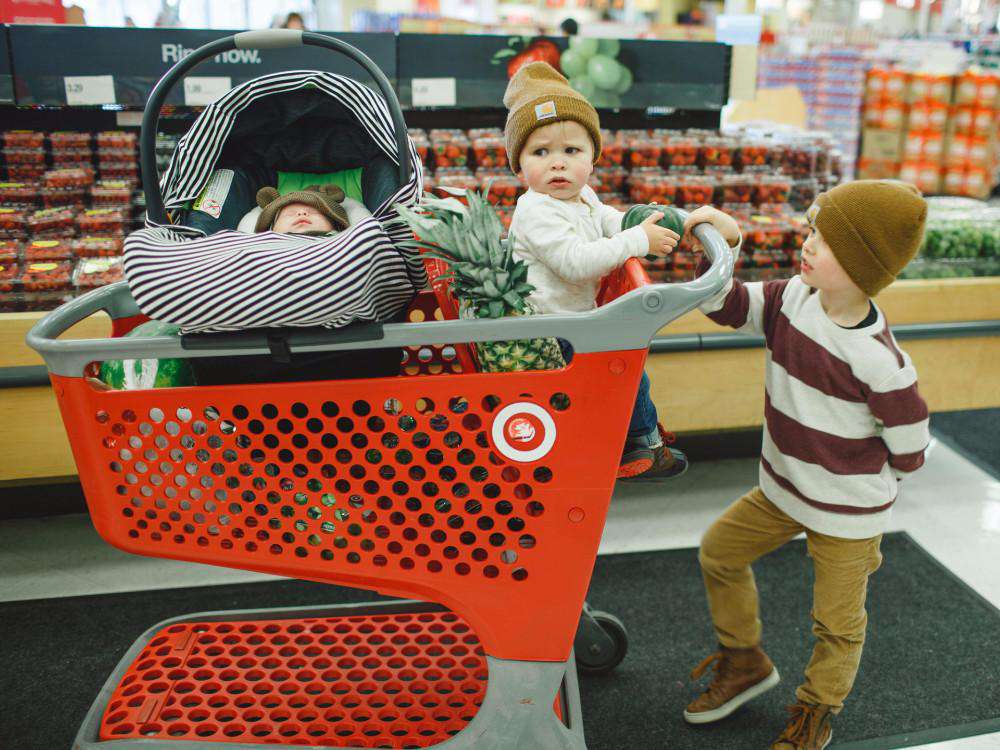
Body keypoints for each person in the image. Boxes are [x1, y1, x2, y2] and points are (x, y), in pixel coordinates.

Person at [680, 182, 930, 749]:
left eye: (827, 240)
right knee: (720, 553)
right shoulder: (793, 297)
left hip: (847, 513)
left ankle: (816, 711)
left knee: (837, 624)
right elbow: (725, 305)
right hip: (782, 488)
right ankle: (744, 663)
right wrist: (724, 244)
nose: (809, 243)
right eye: (813, 229)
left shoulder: (881, 362)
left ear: (865, 265)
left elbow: (912, 446)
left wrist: (875, 478)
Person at [503, 61, 706, 480]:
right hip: (546, 331)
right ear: (519, 166)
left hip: (575, 319)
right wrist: (636, 243)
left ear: (593, 159)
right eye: (541, 152)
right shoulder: (535, 210)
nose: (557, 164)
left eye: (571, 151)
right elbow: (576, 264)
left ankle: (634, 442)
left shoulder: (583, 196)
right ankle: (640, 443)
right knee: (623, 366)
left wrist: (637, 224)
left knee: (622, 370)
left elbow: (606, 220)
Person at [254, 184, 350, 235]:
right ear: (272, 228)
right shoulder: (265, 240)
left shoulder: (342, 238)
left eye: (313, 212)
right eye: (290, 214)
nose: (302, 213)